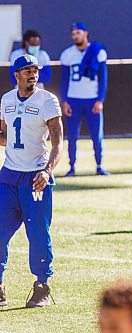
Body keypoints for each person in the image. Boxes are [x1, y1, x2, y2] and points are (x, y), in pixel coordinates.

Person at [0, 55, 63, 308]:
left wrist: (47, 171)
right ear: (16, 75)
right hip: (8, 176)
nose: (32, 74)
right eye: (27, 70)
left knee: (37, 233)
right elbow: (6, 137)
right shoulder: (6, 100)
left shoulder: (48, 101)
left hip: (36, 177)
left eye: (35, 70)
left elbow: (58, 143)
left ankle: (42, 286)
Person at [60, 22, 109, 176]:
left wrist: (100, 100)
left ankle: (99, 164)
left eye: (78, 32)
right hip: (74, 99)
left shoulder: (97, 52)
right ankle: (72, 166)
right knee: (72, 135)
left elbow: (103, 78)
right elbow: (64, 80)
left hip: (92, 98)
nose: (75, 36)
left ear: (86, 34)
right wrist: (65, 101)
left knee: (96, 135)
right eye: (73, 33)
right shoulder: (67, 54)